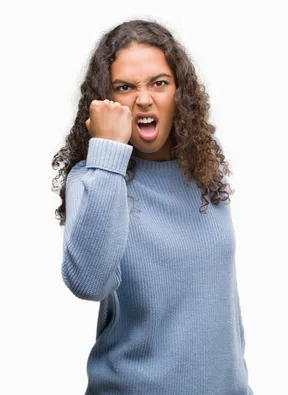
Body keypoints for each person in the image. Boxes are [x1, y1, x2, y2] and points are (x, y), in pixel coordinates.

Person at [51, 18, 254, 395]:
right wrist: (108, 151)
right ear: (105, 102)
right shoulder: (93, 178)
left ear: (179, 93)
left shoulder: (204, 172)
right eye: (125, 87)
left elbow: (218, 308)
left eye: (158, 83)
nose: (143, 99)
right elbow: (88, 283)